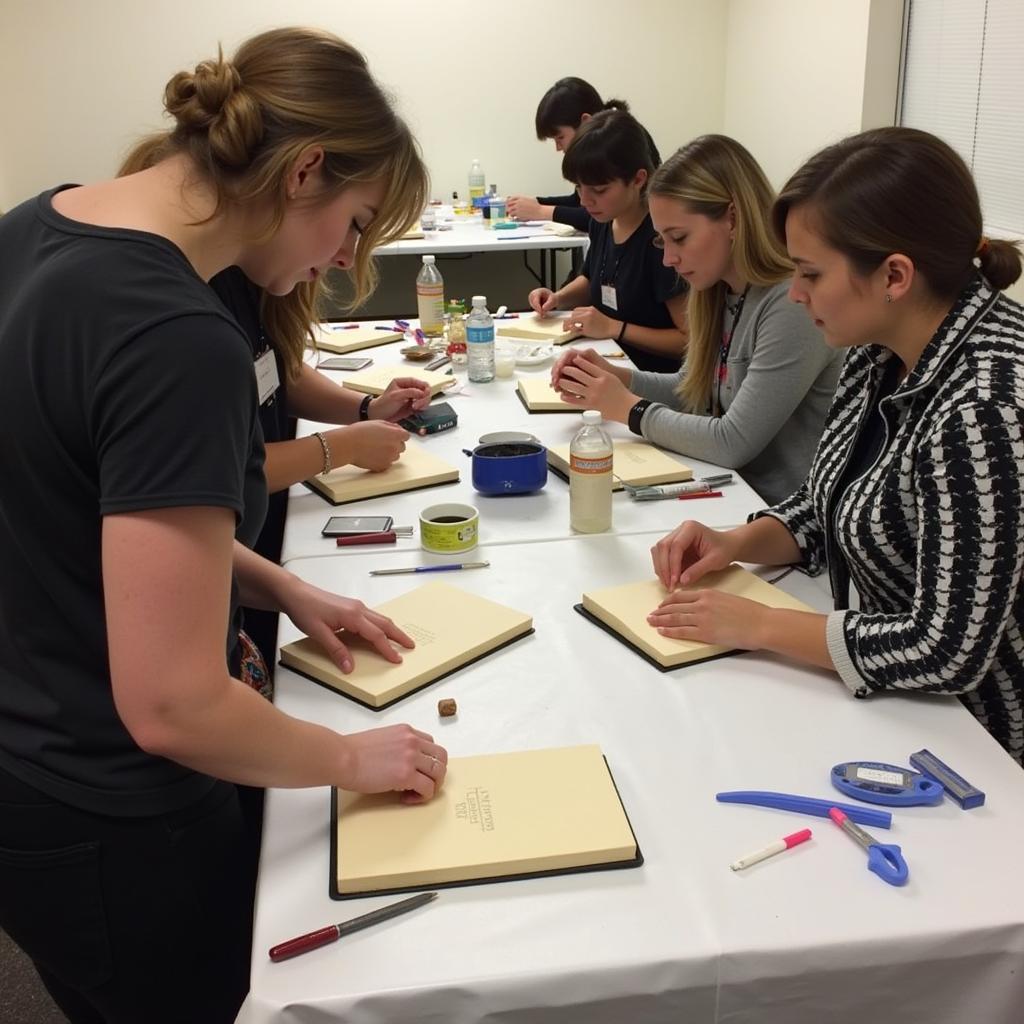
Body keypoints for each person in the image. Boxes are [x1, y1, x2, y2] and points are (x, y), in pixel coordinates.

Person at [0, 28, 449, 1024]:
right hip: (111, 805)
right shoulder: (175, 337)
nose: (345, 255)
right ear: (303, 173)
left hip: (28, 759)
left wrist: (277, 583)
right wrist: (348, 759)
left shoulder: (38, 227)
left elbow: (80, 509)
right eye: (354, 221)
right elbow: (173, 705)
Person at [648, 127, 1024, 766]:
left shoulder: (982, 408)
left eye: (811, 274)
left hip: (975, 740)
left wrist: (759, 625)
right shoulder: (874, 351)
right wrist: (735, 542)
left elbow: (947, 649)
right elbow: (829, 503)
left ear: (894, 275)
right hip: (889, 698)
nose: (795, 294)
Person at [551, 134, 842, 505]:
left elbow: (732, 441)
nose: (669, 258)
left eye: (680, 238)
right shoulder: (718, 290)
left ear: (732, 218)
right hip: (730, 491)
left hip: (779, 515)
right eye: (661, 242)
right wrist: (617, 378)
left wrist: (627, 406)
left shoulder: (791, 304)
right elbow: (694, 389)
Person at [527, 109, 688, 373]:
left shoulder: (661, 239)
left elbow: (689, 340)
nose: (584, 201)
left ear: (638, 179)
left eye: (599, 191)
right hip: (609, 358)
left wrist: (616, 328)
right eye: (579, 187)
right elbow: (593, 279)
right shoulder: (603, 218)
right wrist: (558, 297)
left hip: (653, 379)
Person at [506, 77, 661, 231]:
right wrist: (536, 203)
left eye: (560, 137)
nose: (558, 148)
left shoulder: (617, 144)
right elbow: (578, 201)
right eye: (580, 187)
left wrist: (540, 211)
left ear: (585, 121)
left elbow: (596, 214)